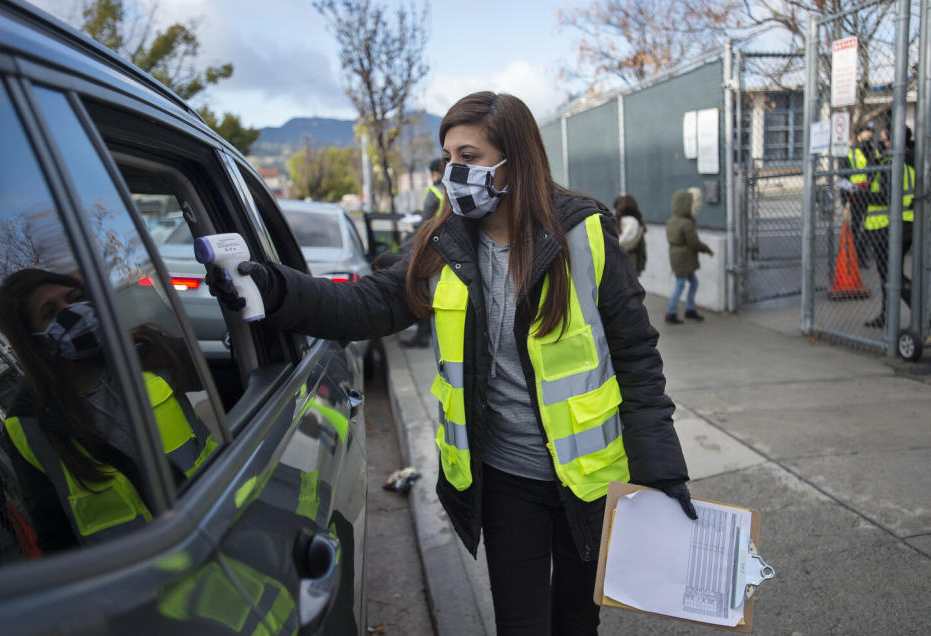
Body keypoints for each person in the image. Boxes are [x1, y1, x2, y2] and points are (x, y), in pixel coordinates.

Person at [207, 91, 695, 636]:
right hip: (506, 479)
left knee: (578, 622)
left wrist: (661, 467)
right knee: (521, 625)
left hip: (590, 480)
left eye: (470, 156)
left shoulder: (583, 234)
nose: (453, 172)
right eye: (447, 159)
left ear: (516, 160)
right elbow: (364, 304)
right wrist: (272, 288)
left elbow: (634, 356)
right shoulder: (444, 244)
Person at [0, 269, 217, 553]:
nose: (72, 312)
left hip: (219, 526)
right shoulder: (26, 426)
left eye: (74, 298)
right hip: (144, 579)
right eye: (50, 312)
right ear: (34, 340)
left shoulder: (146, 352)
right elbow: (57, 538)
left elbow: (244, 371)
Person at [862, 126, 915, 328]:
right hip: (907, 223)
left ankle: (920, 313)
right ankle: (887, 315)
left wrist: (861, 194)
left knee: (891, 275)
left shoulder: (892, 164)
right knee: (891, 274)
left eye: (884, 140)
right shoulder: (911, 161)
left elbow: (885, 196)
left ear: (893, 142)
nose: (881, 144)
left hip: (891, 226)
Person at [401, 158, 445, 348]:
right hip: (449, 248)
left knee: (421, 293)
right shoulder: (453, 190)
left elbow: (426, 219)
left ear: (435, 173)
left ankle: (422, 336)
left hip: (431, 249)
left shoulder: (434, 191)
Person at [665, 188, 713, 324]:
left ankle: (689, 309)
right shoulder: (687, 223)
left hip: (675, 257)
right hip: (685, 259)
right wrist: (707, 250)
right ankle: (671, 312)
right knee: (681, 284)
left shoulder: (672, 221)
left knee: (692, 282)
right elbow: (694, 243)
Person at [842, 123, 880, 268]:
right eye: (865, 138)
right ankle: (855, 257)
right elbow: (842, 178)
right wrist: (846, 200)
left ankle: (863, 256)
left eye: (870, 138)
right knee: (857, 228)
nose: (868, 141)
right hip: (856, 196)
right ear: (858, 137)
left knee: (869, 228)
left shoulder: (874, 153)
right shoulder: (851, 153)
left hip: (872, 195)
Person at [612, 193, 647, 276]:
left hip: (613, 266)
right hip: (631, 267)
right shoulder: (638, 226)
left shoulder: (611, 222)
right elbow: (642, 251)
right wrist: (640, 269)